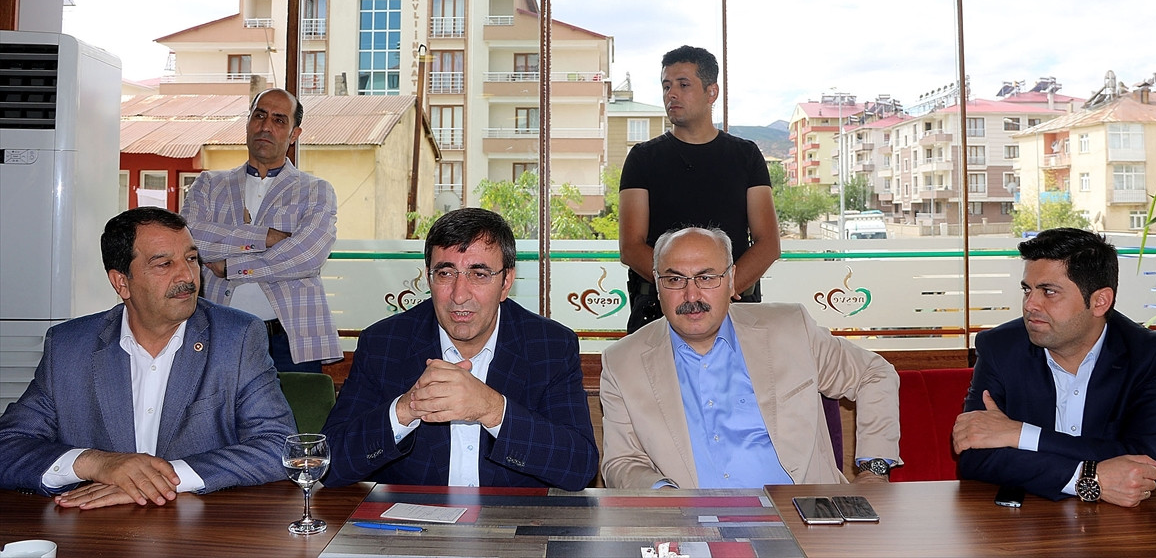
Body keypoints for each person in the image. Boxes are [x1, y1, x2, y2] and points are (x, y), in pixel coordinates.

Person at [0, 208, 295, 507]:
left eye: (191, 259)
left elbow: (279, 446)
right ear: (121, 283)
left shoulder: (237, 338)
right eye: (164, 264)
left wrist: (159, 480)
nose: (187, 276)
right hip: (96, 525)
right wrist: (98, 464)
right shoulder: (69, 347)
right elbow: (8, 446)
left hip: (202, 523)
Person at [600, 226, 901, 489]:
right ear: (657, 283)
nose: (692, 295)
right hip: (693, 524)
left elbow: (873, 374)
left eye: (707, 278)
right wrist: (666, 498)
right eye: (675, 279)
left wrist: (874, 471)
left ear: (732, 279)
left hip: (803, 518)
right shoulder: (622, 363)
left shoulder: (790, 329)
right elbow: (621, 462)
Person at [321, 207, 598, 490]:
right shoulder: (384, 343)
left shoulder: (550, 346)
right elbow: (328, 466)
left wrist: (492, 409)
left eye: (479, 274)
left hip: (509, 516)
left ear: (506, 282)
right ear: (429, 278)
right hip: (415, 517)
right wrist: (406, 409)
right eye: (446, 273)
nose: (459, 294)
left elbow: (579, 467)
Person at [953, 228, 1156, 506]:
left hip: (1125, 520)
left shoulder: (1152, 356)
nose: (1030, 304)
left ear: (1100, 301)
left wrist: (1019, 434)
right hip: (1028, 521)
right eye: (1027, 290)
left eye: (1049, 292)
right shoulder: (1000, 347)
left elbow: (1146, 463)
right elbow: (974, 455)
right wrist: (1087, 478)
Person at [619, 45, 780, 333]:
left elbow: (768, 243)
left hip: (736, 307)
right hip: (658, 310)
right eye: (666, 86)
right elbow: (631, 246)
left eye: (683, 85)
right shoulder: (643, 158)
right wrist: (681, 289)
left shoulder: (745, 155)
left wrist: (721, 289)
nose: (671, 94)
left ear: (711, 92)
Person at [181, 88, 339, 372]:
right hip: (219, 335)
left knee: (299, 403)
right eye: (259, 116)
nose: (266, 126)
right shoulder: (209, 185)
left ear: (294, 134)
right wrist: (263, 237)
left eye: (279, 120)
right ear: (247, 123)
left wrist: (232, 267)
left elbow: (307, 257)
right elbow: (190, 240)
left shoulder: (315, 191)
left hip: (290, 340)